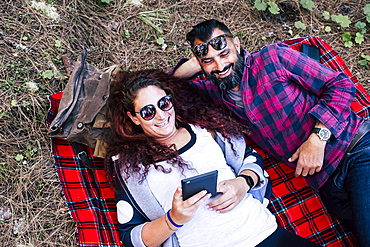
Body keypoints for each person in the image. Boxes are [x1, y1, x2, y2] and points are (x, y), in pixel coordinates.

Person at [171, 19, 370, 246]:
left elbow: (341, 86)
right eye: (209, 62)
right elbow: (165, 85)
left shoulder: (273, 59)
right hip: (326, 184)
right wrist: (203, 60)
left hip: (356, 151)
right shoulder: (213, 93)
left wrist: (317, 138)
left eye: (225, 53)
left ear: (237, 44)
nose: (220, 66)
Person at [104, 69, 321, 247]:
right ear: (133, 118)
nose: (161, 116)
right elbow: (132, 238)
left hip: (263, 233)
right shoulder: (131, 168)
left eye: (164, 103)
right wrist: (173, 219)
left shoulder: (204, 131)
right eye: (148, 112)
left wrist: (242, 183)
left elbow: (250, 159)